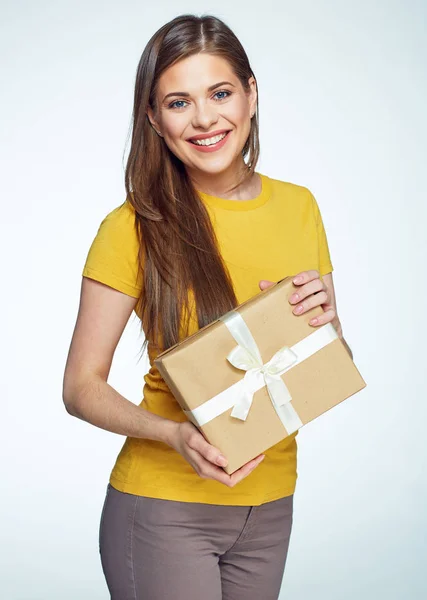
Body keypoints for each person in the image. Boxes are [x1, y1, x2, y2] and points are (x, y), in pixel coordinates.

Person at [63, 13, 352, 600]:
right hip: (165, 508)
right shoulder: (131, 228)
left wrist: (327, 322)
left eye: (220, 93)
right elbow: (79, 386)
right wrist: (173, 436)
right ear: (152, 117)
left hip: (271, 506)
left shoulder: (300, 207)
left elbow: (323, 359)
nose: (204, 119)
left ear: (250, 93)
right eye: (178, 102)